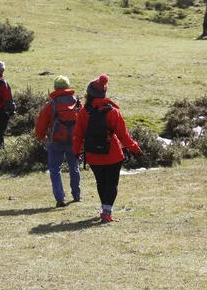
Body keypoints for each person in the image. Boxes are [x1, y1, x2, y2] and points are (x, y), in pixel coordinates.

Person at [72, 74, 143, 223]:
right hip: (113, 154)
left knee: (101, 183)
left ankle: (105, 210)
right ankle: (106, 211)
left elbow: (78, 136)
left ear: (89, 93)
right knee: (112, 184)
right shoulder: (113, 112)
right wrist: (136, 149)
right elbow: (124, 136)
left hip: (93, 155)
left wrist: (76, 152)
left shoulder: (84, 113)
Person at [35, 75, 81, 207]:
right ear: (68, 87)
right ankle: (76, 195)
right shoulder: (77, 103)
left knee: (55, 169)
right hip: (74, 140)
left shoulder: (51, 105)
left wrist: (41, 136)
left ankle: (60, 198)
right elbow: (84, 121)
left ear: (55, 88)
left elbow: (41, 124)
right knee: (74, 167)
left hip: (56, 141)